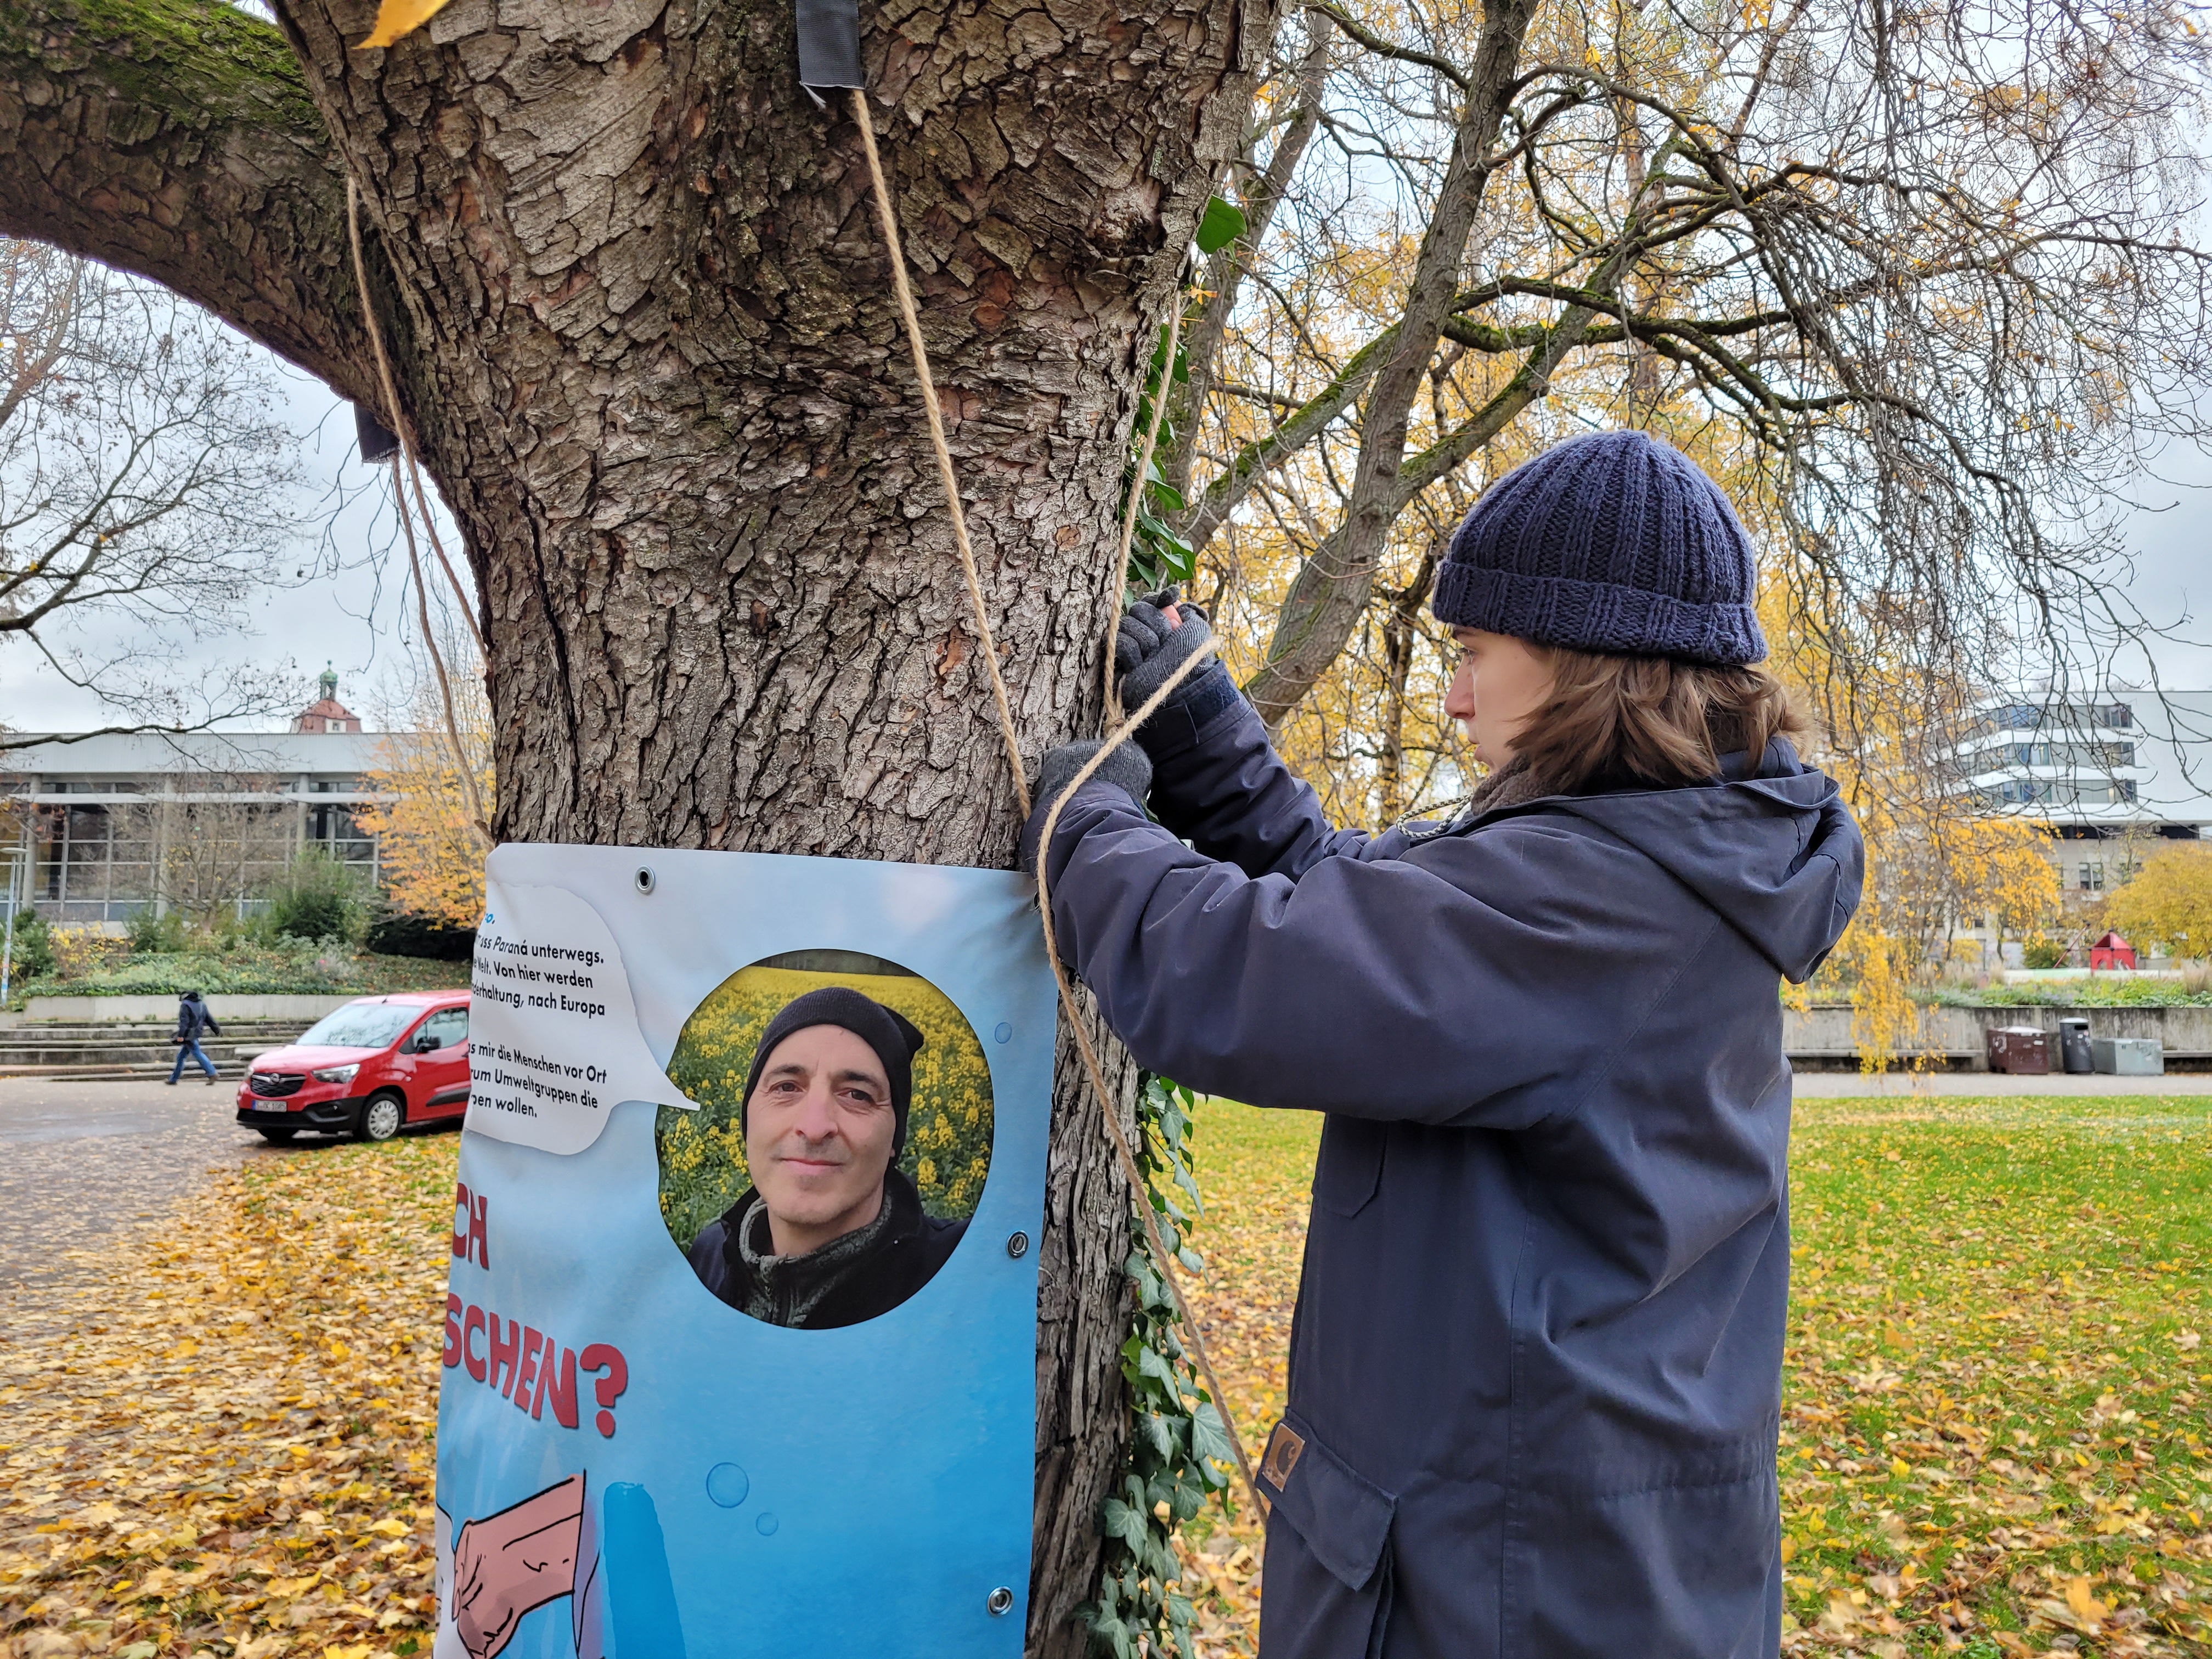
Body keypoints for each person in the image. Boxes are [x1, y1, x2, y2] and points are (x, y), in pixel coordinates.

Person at [1020, 430, 1864, 1658]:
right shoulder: (1645, 862)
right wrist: (1208, 734)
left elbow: (1262, 978)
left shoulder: (1597, 902)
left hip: (1515, 1591)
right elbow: (1374, 911)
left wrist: (1086, 828)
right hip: (1547, 1555)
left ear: (1586, 667)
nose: (1457, 694)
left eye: (1475, 655)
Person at [687, 986, 966, 1328]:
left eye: (857, 1095)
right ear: (748, 1120)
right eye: (786, 1087)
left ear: (895, 1138)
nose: (814, 1127)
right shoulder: (709, 1256)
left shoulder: (966, 1270)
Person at [167, 989, 221, 1086]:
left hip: (188, 1036)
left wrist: (181, 1036)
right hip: (196, 1033)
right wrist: (217, 1030)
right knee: (181, 1057)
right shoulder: (202, 1005)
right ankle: (173, 1079)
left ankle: (212, 1073)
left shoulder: (185, 1005)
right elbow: (209, 1019)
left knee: (197, 1053)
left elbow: (184, 1022)